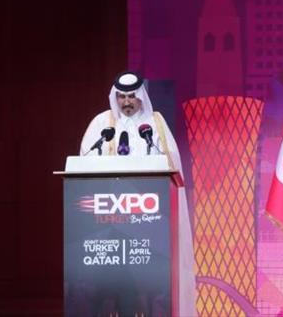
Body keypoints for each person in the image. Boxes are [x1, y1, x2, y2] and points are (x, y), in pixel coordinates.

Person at [79, 71, 197, 316]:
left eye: (131, 96)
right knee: (113, 286)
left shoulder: (155, 124)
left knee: (145, 287)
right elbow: (84, 162)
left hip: (148, 222)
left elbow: (172, 164)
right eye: (121, 97)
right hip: (109, 221)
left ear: (141, 97)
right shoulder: (101, 124)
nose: (126, 102)